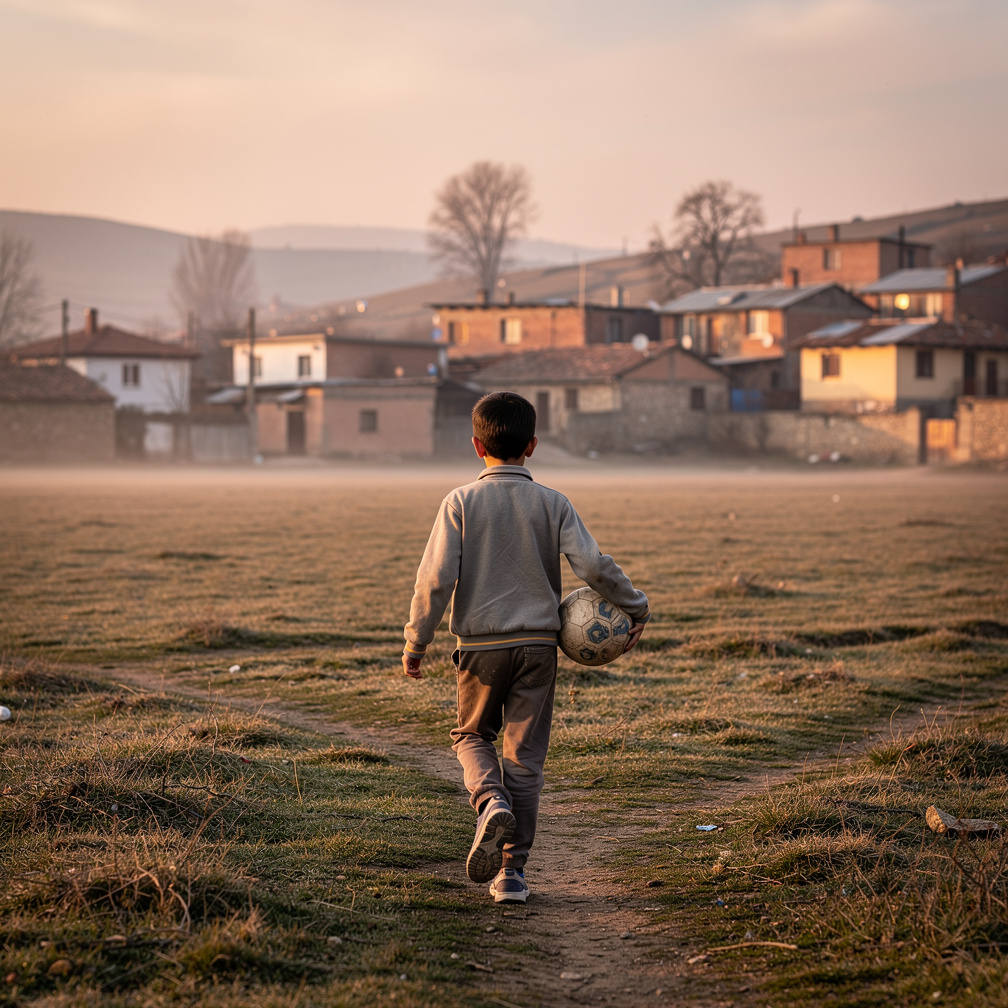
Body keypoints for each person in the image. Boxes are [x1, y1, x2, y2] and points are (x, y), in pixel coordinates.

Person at [402, 391, 649, 903]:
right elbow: (594, 566)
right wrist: (636, 606)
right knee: (525, 760)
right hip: (539, 648)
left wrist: (417, 641)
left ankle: (489, 802)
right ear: (532, 445)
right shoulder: (553, 502)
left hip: (478, 648)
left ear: (476, 446)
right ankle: (512, 874)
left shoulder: (459, 502)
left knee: (471, 737)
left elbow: (434, 580)